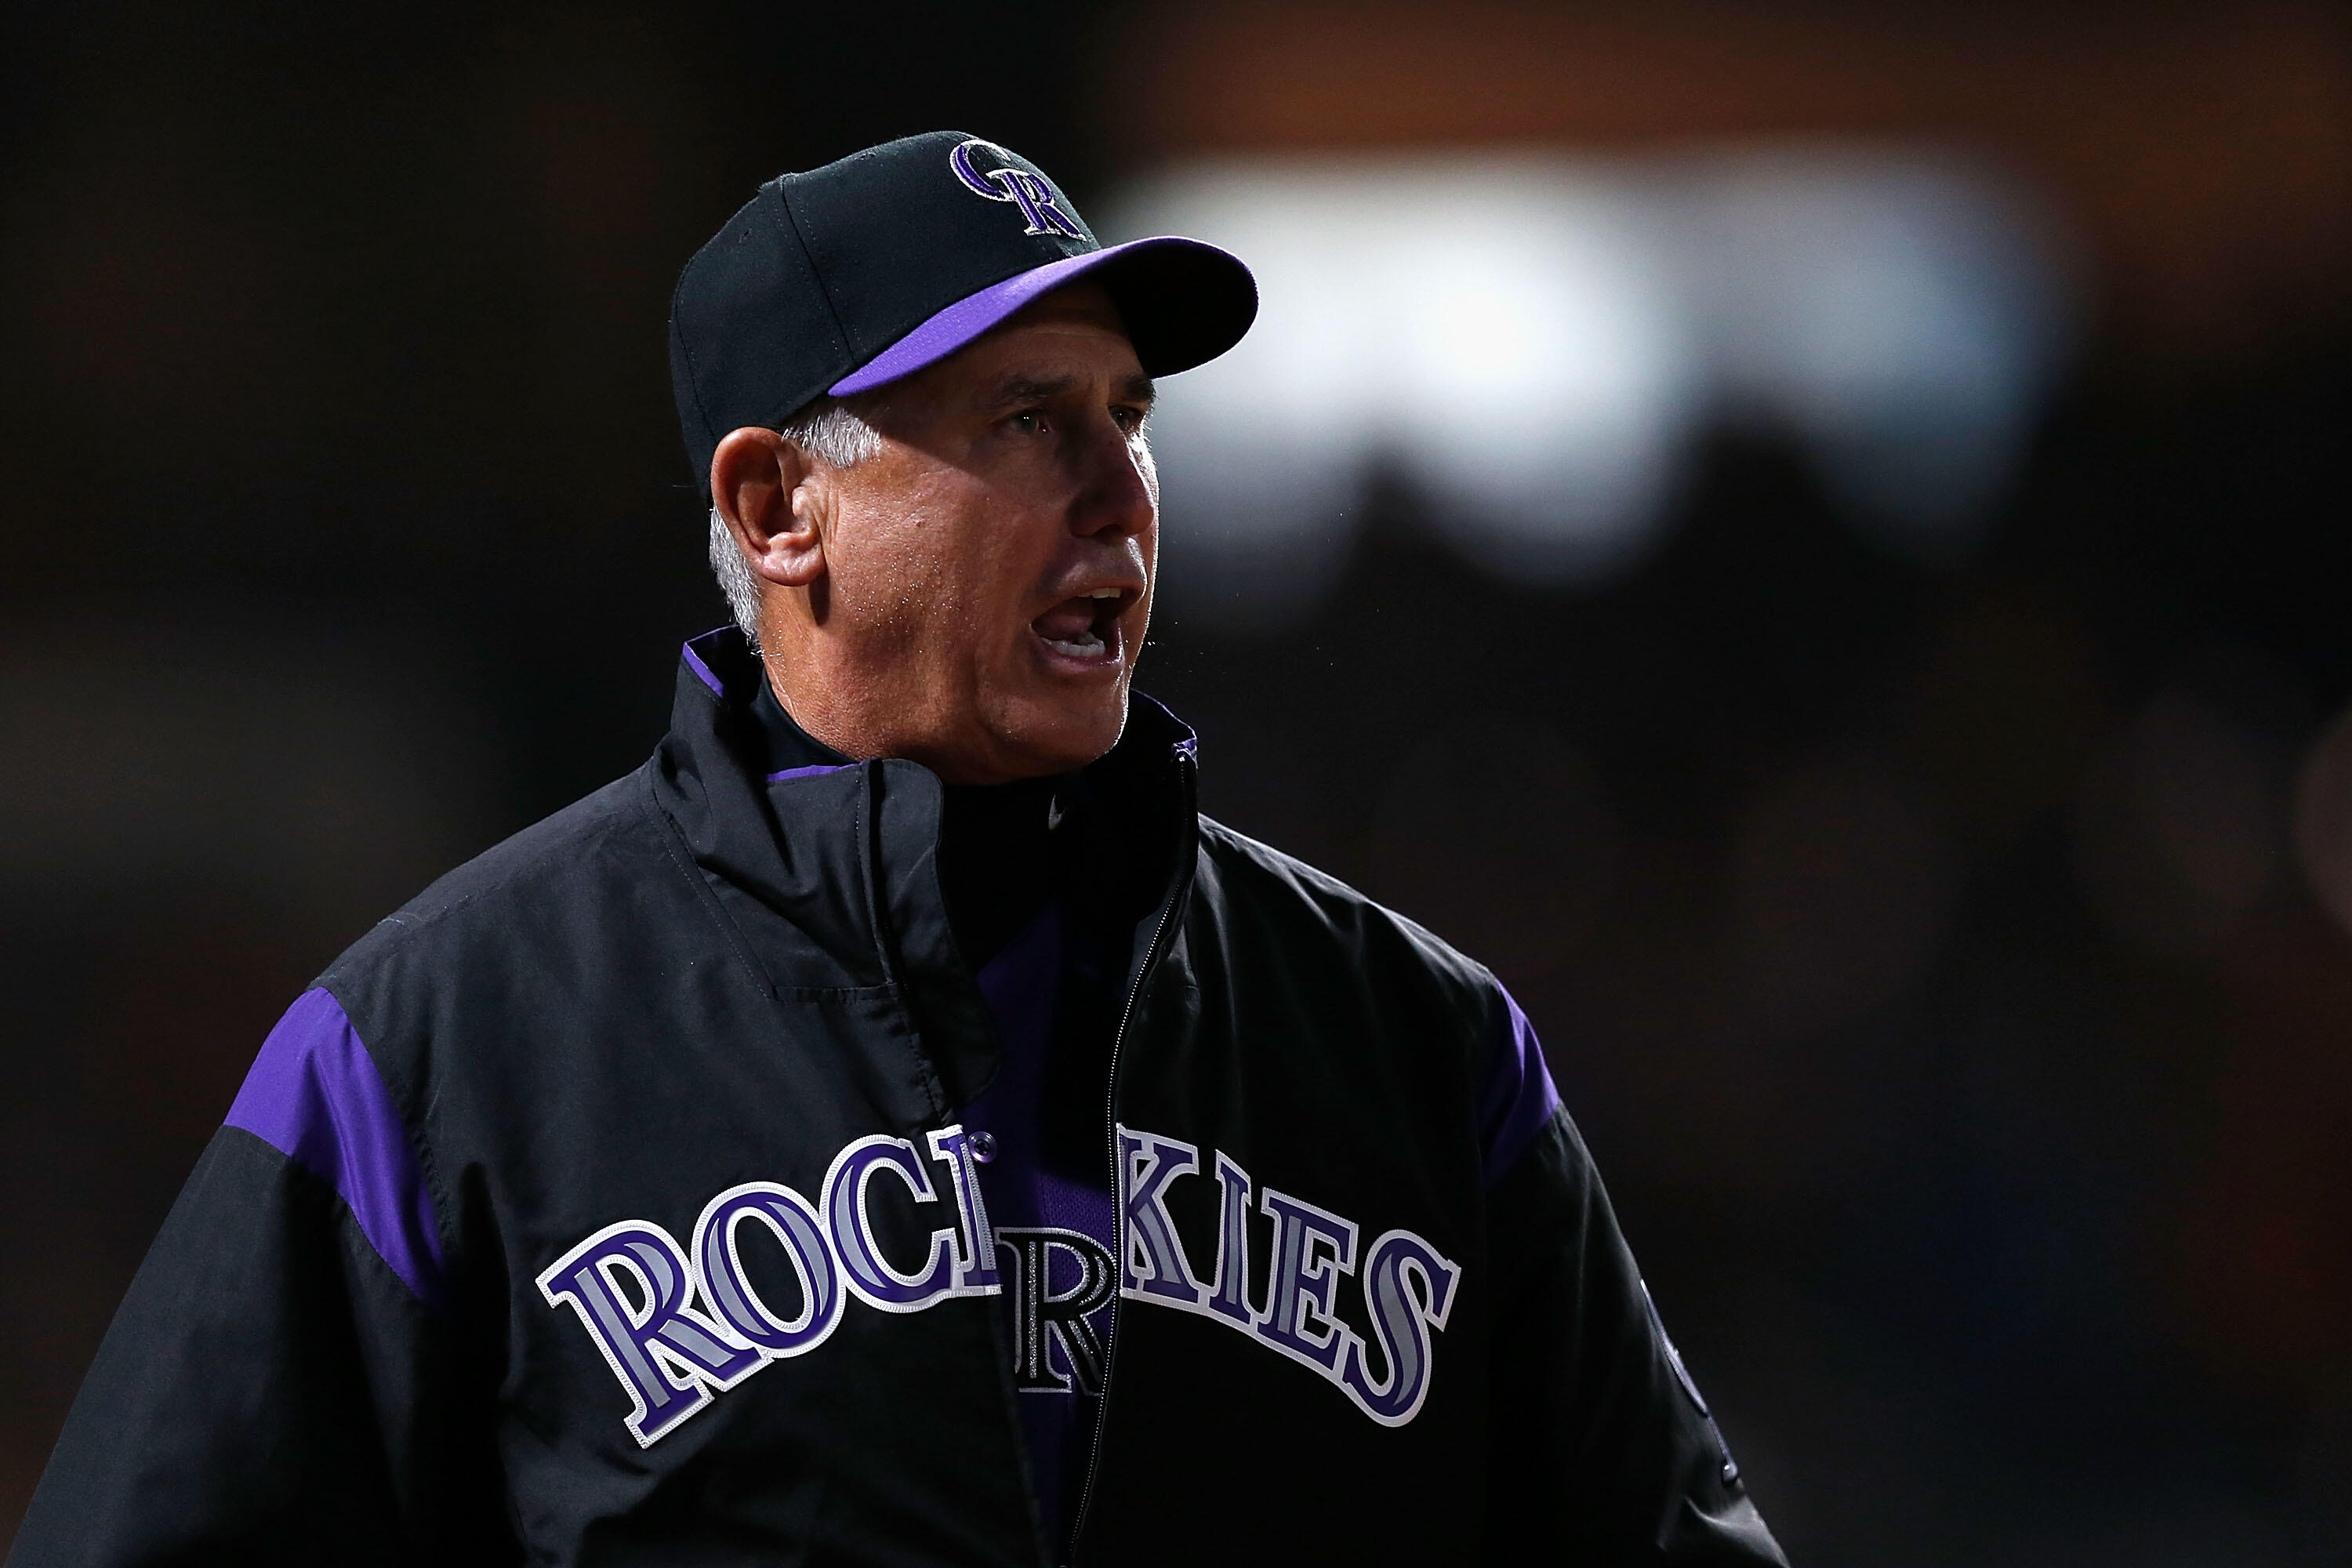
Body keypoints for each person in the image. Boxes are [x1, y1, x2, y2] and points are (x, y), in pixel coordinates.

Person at [9, 132, 1787, 1567]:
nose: (1120, 488)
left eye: (1129, 415)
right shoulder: (441, 1043)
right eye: (1028, 417)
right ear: (782, 510)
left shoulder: (1412, 1040)